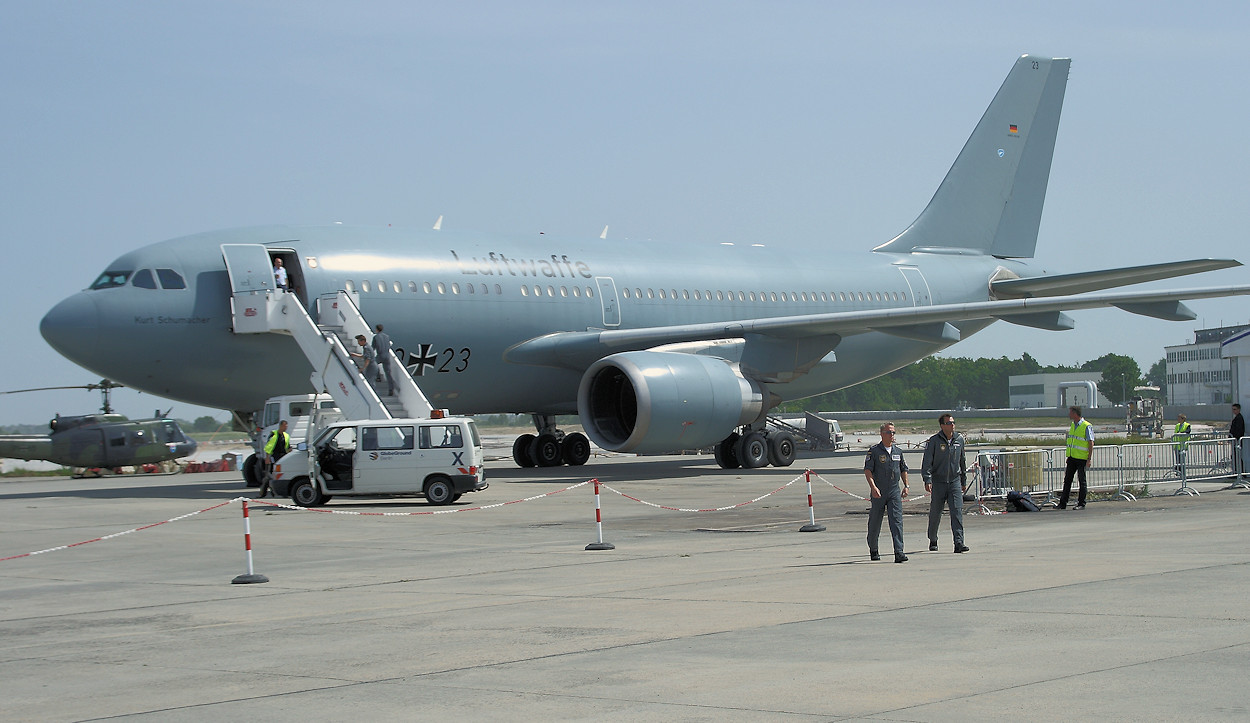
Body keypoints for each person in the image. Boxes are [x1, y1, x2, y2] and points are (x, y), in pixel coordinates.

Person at [922, 413, 969, 553]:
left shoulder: (959, 440)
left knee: (957, 512)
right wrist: (927, 479)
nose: (952, 425)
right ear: (942, 426)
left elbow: (962, 460)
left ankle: (959, 542)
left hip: (954, 481)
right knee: (936, 512)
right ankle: (933, 539)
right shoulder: (934, 441)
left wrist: (963, 480)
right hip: (939, 481)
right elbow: (927, 462)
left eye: (953, 422)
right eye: (949, 423)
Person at [864, 422, 910, 563]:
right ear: (882, 434)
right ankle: (873, 549)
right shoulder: (874, 451)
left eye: (893, 432)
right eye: (889, 432)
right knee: (875, 521)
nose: (892, 435)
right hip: (879, 490)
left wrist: (906, 485)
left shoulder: (898, 451)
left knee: (896, 521)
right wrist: (873, 487)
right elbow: (868, 470)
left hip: (894, 490)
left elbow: (903, 469)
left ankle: (899, 551)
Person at [1058, 406, 1092, 510]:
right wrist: (1069, 455)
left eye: (1070, 413)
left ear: (1075, 413)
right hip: (1072, 457)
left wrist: (1089, 458)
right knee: (1067, 480)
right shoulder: (1073, 425)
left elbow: (1091, 442)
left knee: (1082, 481)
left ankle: (1081, 503)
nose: (1069, 415)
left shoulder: (1086, 426)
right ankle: (1063, 503)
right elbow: (1072, 442)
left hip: (1081, 458)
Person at [258, 420, 290, 498]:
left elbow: (287, 447)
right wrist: (267, 457)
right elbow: (269, 447)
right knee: (269, 475)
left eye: (287, 426)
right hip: (274, 456)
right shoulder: (274, 435)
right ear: (281, 426)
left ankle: (281, 492)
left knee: (282, 474)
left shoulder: (286, 435)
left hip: (283, 457)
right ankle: (263, 493)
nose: (286, 427)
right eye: (285, 426)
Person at [371, 324, 395, 395]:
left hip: (380, 355)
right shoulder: (387, 337)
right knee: (388, 373)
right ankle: (391, 389)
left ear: (376, 329)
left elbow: (373, 348)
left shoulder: (376, 337)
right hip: (387, 356)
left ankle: (378, 377)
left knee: (373, 364)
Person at [1230, 403, 1244, 479]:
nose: (1233, 411)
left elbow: (1238, 430)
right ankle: (1237, 472)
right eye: (1233, 409)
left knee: (1237, 456)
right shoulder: (1237, 418)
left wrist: (1235, 438)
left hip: (1237, 440)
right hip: (1235, 440)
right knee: (1235, 456)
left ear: (1238, 409)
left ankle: (1239, 472)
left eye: (1235, 409)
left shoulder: (1239, 418)